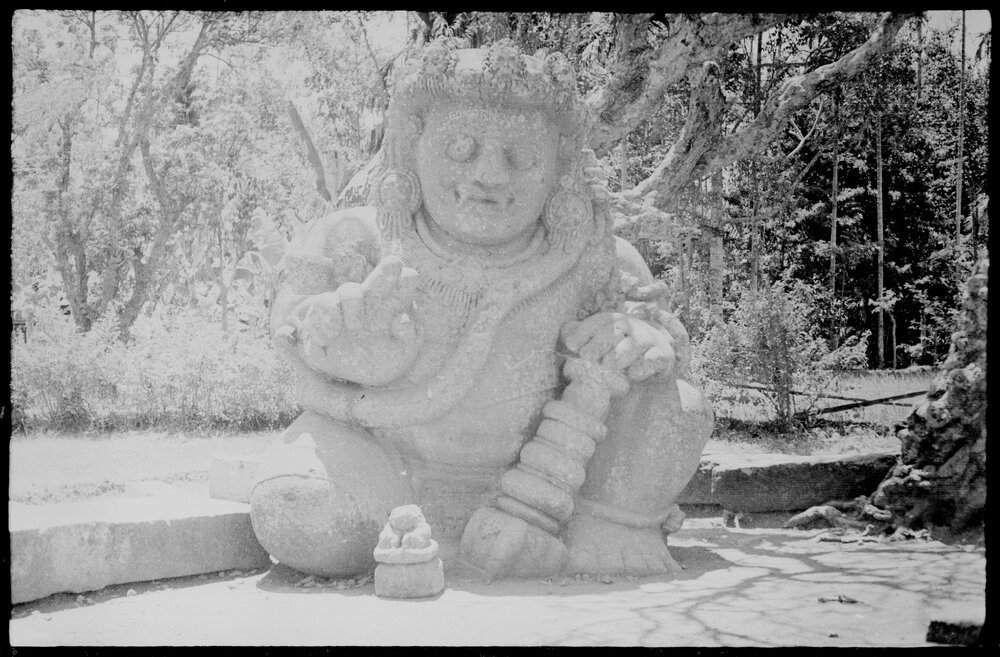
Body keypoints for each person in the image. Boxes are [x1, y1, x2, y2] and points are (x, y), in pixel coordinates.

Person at [250, 38, 713, 578]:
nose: (490, 175)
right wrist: (337, 346)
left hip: (563, 481)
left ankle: (613, 525)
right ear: (413, 145)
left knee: (680, 408)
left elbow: (664, 343)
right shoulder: (359, 240)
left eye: (520, 157)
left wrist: (642, 338)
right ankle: (393, 528)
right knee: (300, 513)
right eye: (462, 148)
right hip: (387, 458)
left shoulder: (595, 257)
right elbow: (290, 331)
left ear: (558, 168)